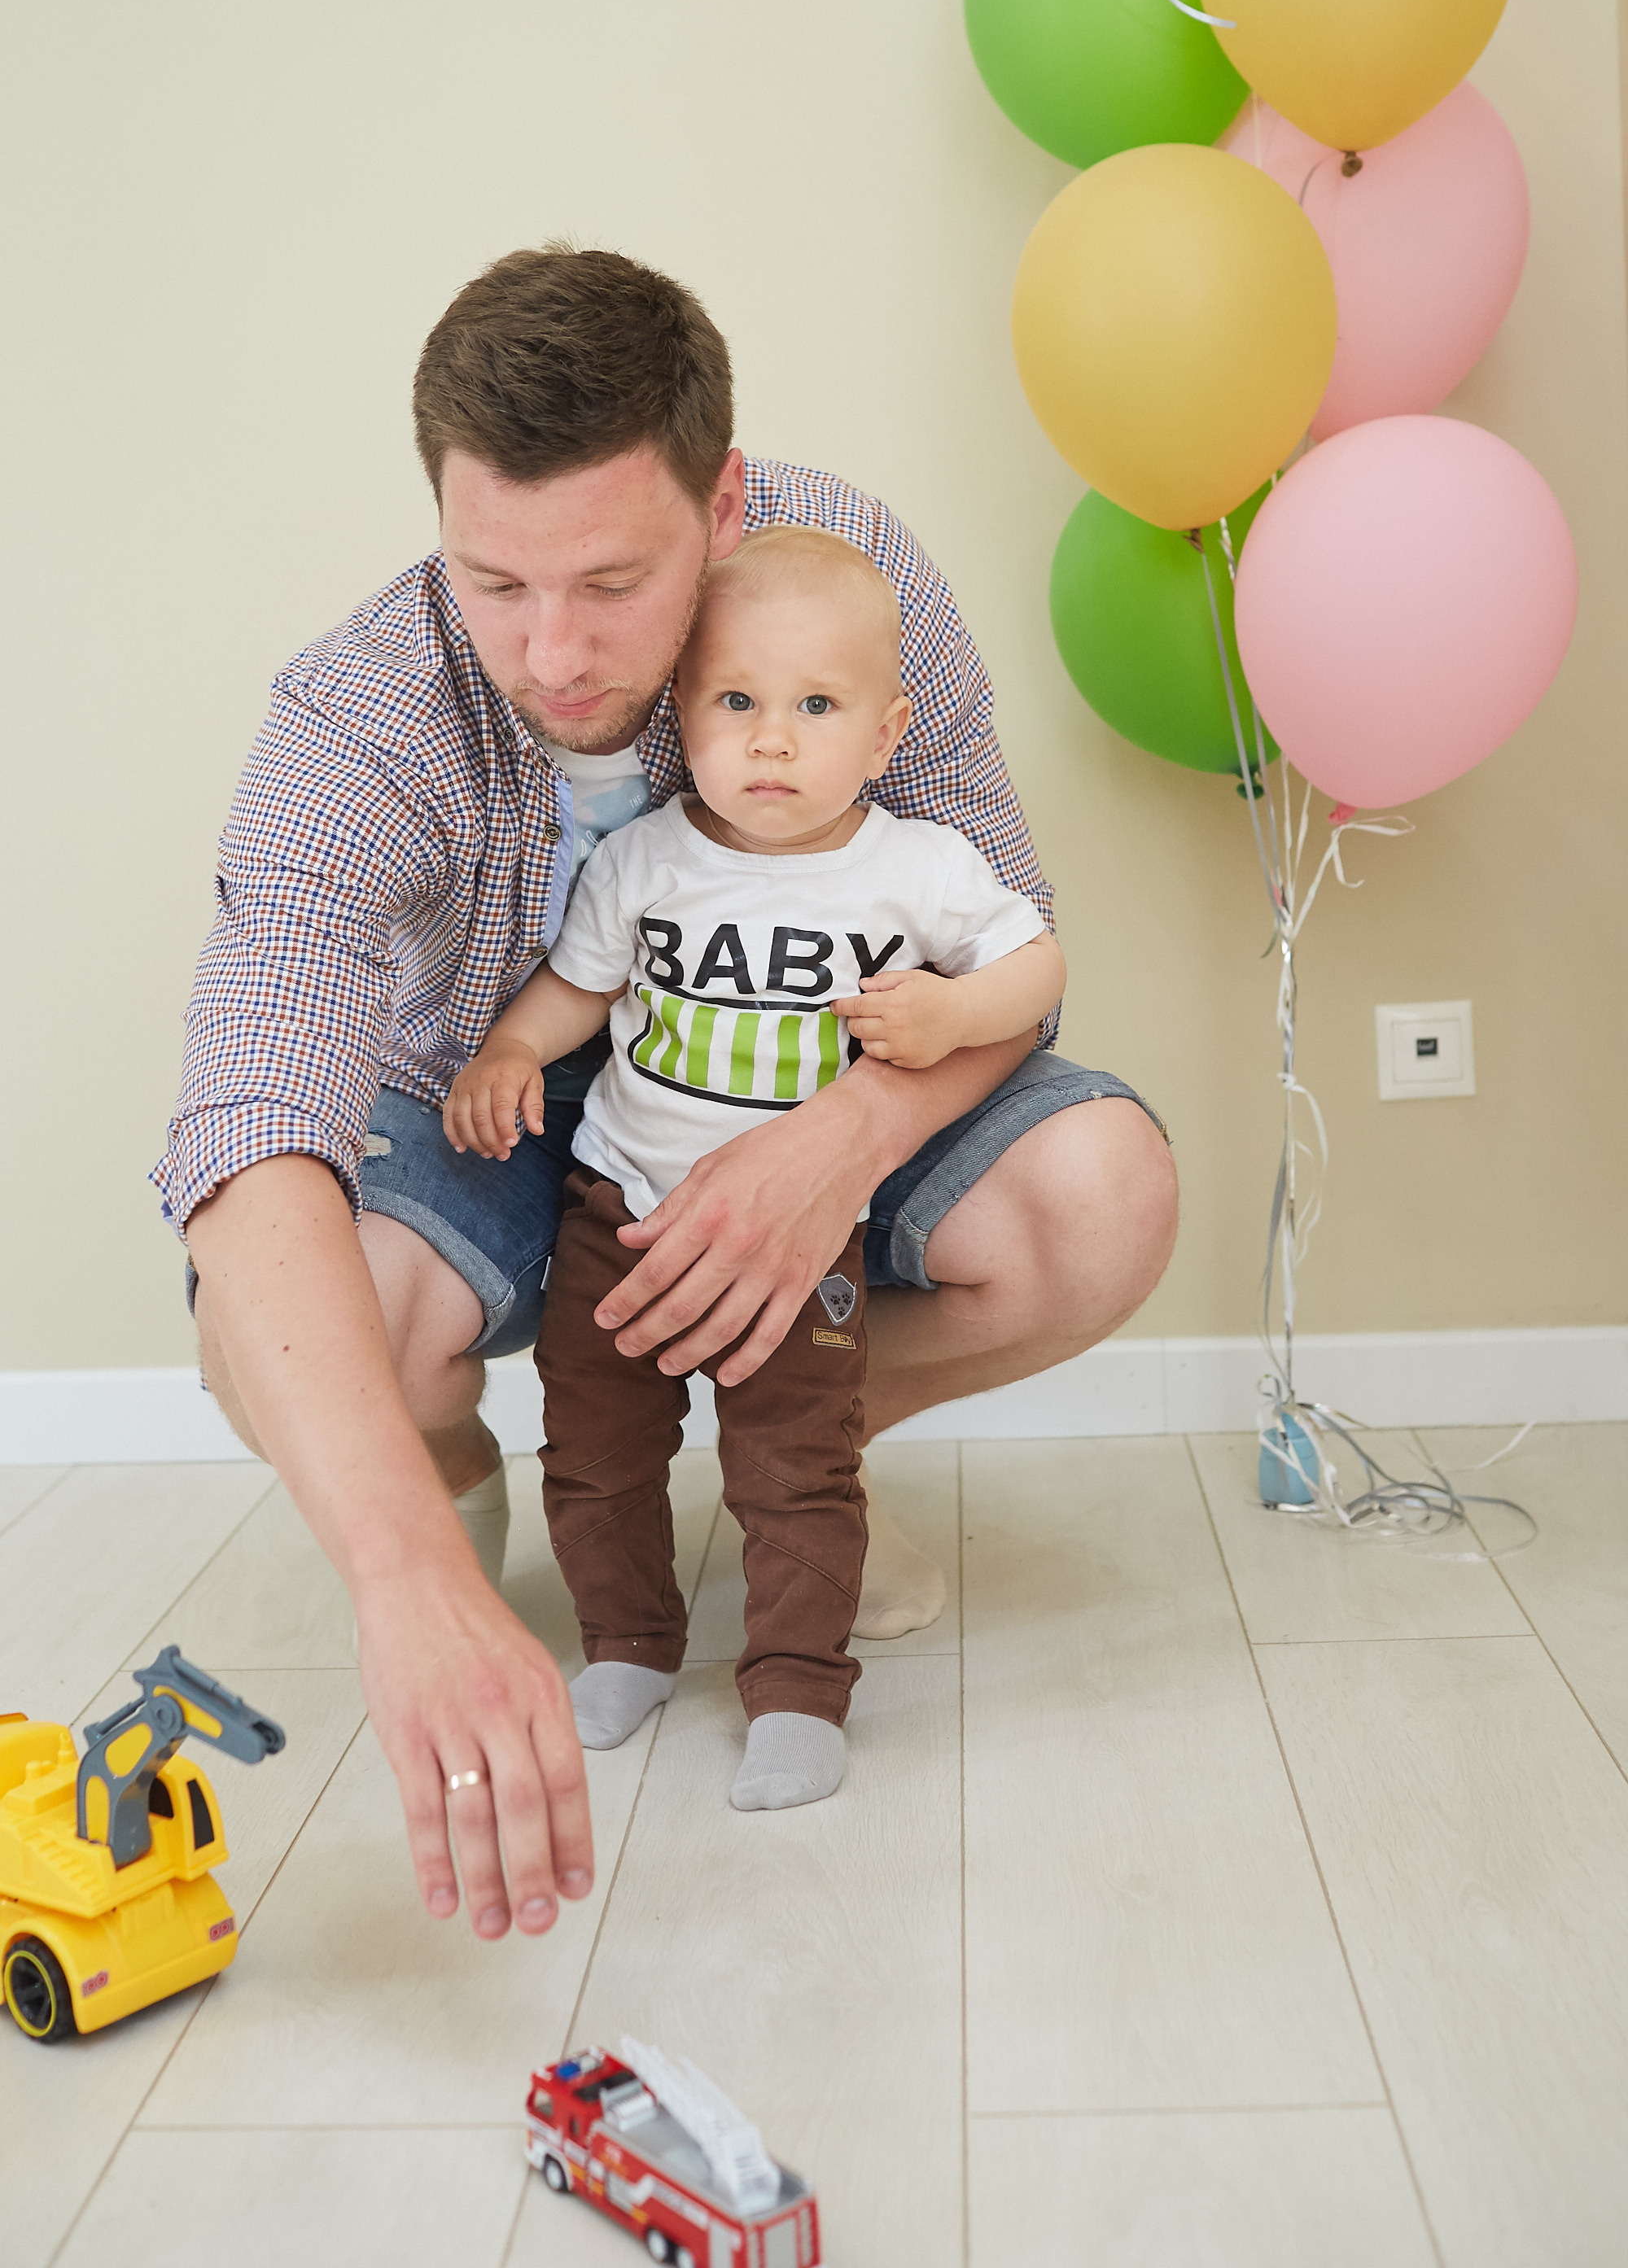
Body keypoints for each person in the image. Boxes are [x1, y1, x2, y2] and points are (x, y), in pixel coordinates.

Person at [163, 245, 1176, 1945]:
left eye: (614, 585)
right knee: (309, 1320)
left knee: (1106, 1196)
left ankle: (803, 1460)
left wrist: (840, 1139)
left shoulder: (849, 587)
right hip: (490, 1091)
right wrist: (402, 1584)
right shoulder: (354, 722)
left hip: (801, 1083)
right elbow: (249, 1125)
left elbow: (1009, 942)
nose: (552, 653)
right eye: (494, 583)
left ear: (719, 504)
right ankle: (467, 1485)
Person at [442, 526, 1066, 1812]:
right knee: (596, 1448)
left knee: (795, 1469)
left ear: (887, 735)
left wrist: (950, 1017)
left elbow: (1036, 964)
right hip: (621, 1207)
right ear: (685, 713)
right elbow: (577, 987)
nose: (772, 740)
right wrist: (512, 1045)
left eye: (815, 706)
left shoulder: (911, 867)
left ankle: (793, 1684)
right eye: (737, 702)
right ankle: (626, 1644)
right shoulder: (647, 858)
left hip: (803, 1239)